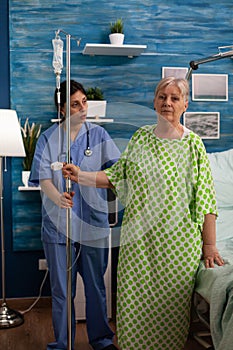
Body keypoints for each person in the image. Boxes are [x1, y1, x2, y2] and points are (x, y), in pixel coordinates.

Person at [62, 77, 224, 350]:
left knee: (169, 319)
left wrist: (209, 246)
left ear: (185, 104)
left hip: (177, 248)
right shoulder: (140, 138)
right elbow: (116, 177)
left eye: (174, 98)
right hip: (138, 247)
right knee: (133, 310)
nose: (167, 103)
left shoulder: (193, 145)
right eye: (162, 97)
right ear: (154, 102)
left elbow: (206, 200)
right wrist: (81, 176)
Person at [29, 80, 120, 350]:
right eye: (75, 104)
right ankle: (63, 344)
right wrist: (58, 198)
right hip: (59, 227)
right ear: (62, 109)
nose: (82, 109)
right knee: (62, 292)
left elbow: (116, 174)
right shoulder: (48, 138)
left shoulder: (99, 136)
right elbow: (44, 177)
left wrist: (88, 178)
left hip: (92, 225)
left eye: (84, 102)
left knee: (95, 288)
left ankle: (102, 341)